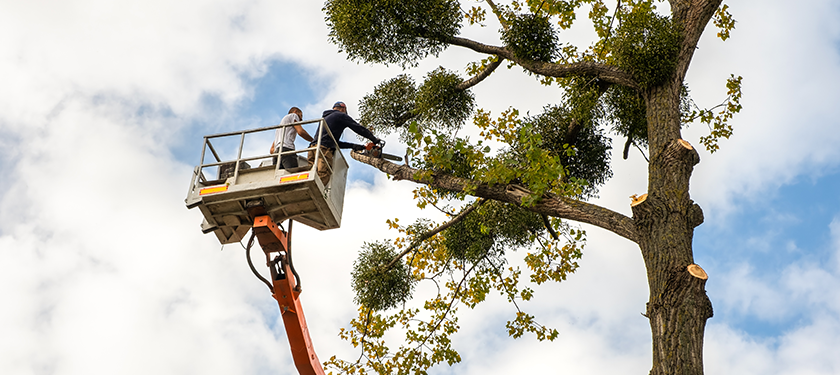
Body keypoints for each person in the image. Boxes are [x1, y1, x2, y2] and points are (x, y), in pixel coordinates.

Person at [308, 101, 381, 184]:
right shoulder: (341, 115)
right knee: (323, 176)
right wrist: (373, 139)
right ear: (343, 109)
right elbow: (358, 128)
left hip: (313, 149)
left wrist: (355, 146)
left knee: (312, 175)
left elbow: (335, 143)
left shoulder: (326, 118)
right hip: (324, 150)